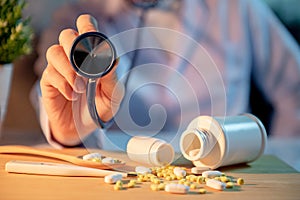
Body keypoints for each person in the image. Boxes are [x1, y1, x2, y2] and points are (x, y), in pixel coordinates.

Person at [33, 0, 300, 149]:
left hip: (225, 178)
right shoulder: (78, 16)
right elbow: (52, 84)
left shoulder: (236, 8)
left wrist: (270, 159)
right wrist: (69, 130)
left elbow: (296, 90)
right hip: (122, 181)